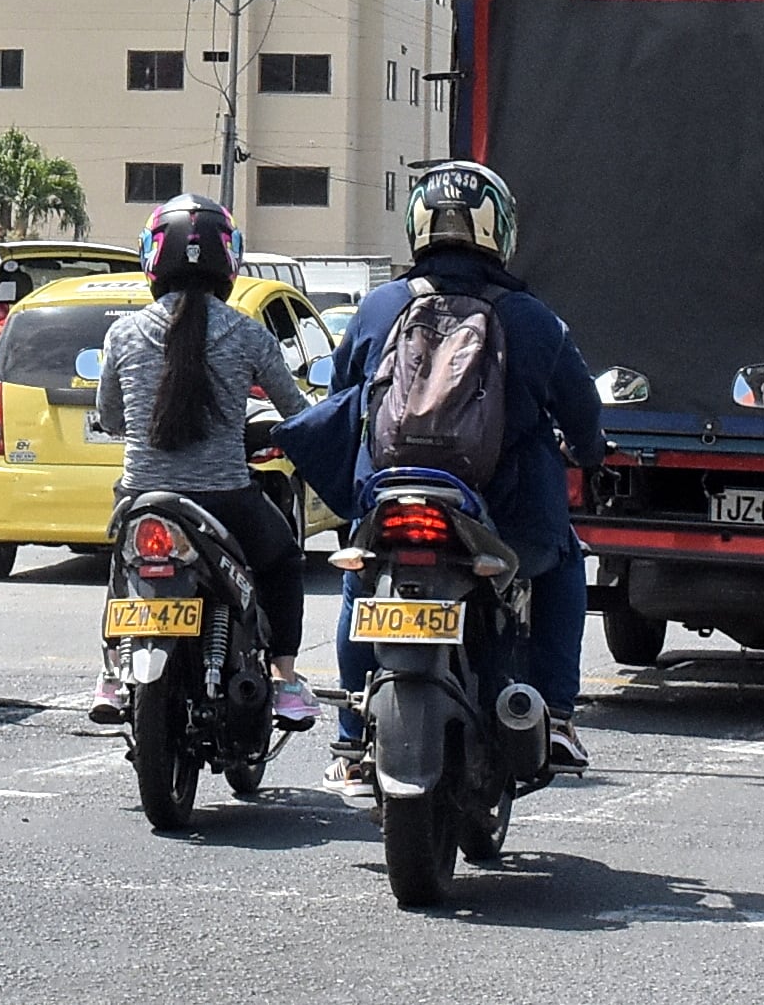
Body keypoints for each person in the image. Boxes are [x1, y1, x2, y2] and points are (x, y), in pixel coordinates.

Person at [287, 160, 605, 777]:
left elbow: (344, 393)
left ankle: (353, 737)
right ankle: (559, 719)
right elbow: (583, 413)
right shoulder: (535, 319)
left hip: (391, 497)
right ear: (500, 231)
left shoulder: (379, 308)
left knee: (362, 577)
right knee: (564, 557)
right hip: (506, 515)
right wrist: (590, 452)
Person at [85, 195, 321, 730]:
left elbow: (110, 417)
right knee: (282, 559)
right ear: (229, 261)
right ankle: (284, 679)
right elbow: (295, 411)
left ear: (152, 258)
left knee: (124, 568)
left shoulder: (122, 333)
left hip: (142, 497)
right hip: (227, 503)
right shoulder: (247, 333)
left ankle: (111, 670)